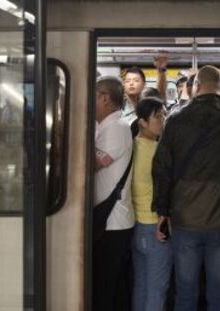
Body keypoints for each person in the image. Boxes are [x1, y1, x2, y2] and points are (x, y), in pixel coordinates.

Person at [152, 65, 220, 311]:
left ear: (196, 87)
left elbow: (162, 168)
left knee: (186, 292)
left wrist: (162, 212)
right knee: (219, 293)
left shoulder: (177, 119)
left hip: (185, 220)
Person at [93, 76, 134, 311]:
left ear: (105, 98)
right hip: (108, 221)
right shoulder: (106, 127)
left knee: (107, 286)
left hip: (114, 223)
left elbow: (93, 163)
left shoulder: (117, 128)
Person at [131, 97, 172, 311]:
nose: (162, 120)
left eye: (164, 115)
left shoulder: (133, 146)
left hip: (137, 226)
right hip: (155, 226)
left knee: (141, 286)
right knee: (157, 289)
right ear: (142, 122)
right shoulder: (155, 150)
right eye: (158, 116)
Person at [123, 57, 168, 125]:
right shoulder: (120, 107)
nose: (131, 83)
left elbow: (161, 93)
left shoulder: (149, 100)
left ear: (144, 84)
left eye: (136, 80)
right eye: (127, 81)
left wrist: (161, 70)